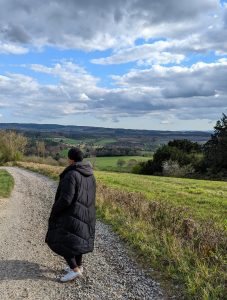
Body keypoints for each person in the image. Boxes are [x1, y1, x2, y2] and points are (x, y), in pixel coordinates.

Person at [45, 147, 96, 282]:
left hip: (72, 213)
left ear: (70, 159)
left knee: (64, 241)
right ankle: (78, 266)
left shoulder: (71, 174)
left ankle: (74, 270)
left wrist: (54, 210)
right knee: (77, 240)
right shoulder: (90, 174)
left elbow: (66, 199)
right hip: (87, 213)